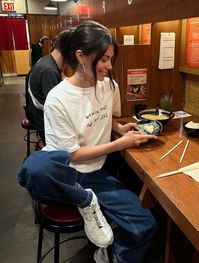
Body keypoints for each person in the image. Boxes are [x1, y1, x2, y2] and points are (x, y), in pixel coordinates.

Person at [43, 21, 158, 263]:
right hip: (73, 176)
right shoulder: (58, 99)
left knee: (143, 217)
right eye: (103, 59)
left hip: (100, 168)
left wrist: (118, 127)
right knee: (145, 223)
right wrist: (121, 143)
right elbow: (72, 155)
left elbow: (100, 117)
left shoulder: (109, 86)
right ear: (81, 56)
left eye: (111, 58)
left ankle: (111, 246)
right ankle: (114, 255)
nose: (109, 66)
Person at [16, 150, 114, 249]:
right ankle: (86, 201)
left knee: (128, 216)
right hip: (64, 164)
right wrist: (121, 143)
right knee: (35, 167)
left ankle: (113, 252)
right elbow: (73, 154)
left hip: (94, 165)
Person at [25, 36, 63, 144]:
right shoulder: (49, 70)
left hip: (33, 112)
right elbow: (55, 109)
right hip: (42, 122)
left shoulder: (46, 60)